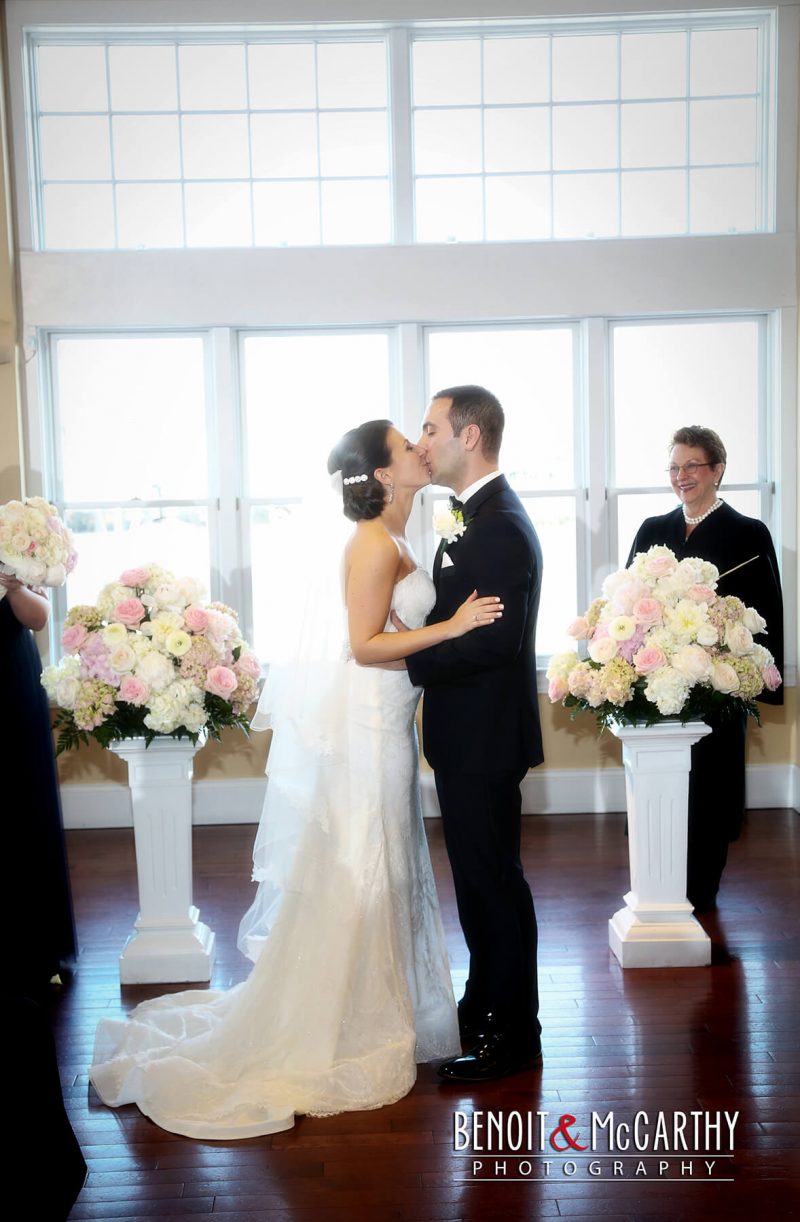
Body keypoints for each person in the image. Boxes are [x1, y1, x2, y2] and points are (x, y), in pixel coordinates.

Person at [89, 419, 503, 1139]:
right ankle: (344, 1025)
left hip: (394, 724)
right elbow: (365, 645)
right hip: (372, 727)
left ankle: (377, 1010)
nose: (420, 451)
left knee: (389, 868)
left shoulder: (405, 535)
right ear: (381, 475)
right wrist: (454, 627)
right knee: (367, 869)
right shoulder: (373, 543)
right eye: (408, 447)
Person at [402, 385, 544, 1083]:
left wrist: (414, 656)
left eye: (430, 429)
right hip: (473, 737)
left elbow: (497, 641)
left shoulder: (498, 528)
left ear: (471, 437)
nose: (422, 441)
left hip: (483, 740)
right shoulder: (475, 518)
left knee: (490, 888)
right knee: (491, 886)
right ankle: (489, 1006)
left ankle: (511, 1037)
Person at [627, 425, 784, 913]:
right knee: (664, 793)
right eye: (674, 467)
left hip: (717, 690)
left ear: (717, 470)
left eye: (691, 465)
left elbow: (765, 615)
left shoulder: (748, 534)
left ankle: (702, 893)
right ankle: (661, 884)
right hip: (661, 688)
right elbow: (629, 607)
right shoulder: (653, 530)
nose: (681, 476)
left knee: (710, 793)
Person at [0, 574, 78, 990]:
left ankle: (29, 946)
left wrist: (14, 586)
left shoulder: (12, 533)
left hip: (7, 675)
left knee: (19, 800)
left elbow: (38, 617)